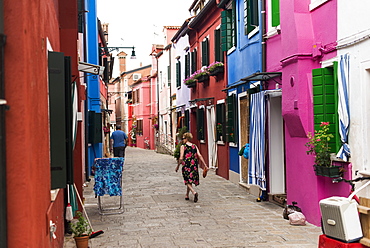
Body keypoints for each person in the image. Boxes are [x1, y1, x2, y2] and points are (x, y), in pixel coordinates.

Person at [175, 132, 208, 202]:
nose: (182, 140)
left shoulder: (183, 146)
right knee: (190, 180)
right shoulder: (194, 146)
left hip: (186, 165)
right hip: (194, 165)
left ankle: (194, 192)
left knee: (187, 180)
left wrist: (178, 166)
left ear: (186, 139)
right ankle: (187, 195)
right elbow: (199, 155)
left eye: (183, 138)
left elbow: (181, 157)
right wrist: (205, 165)